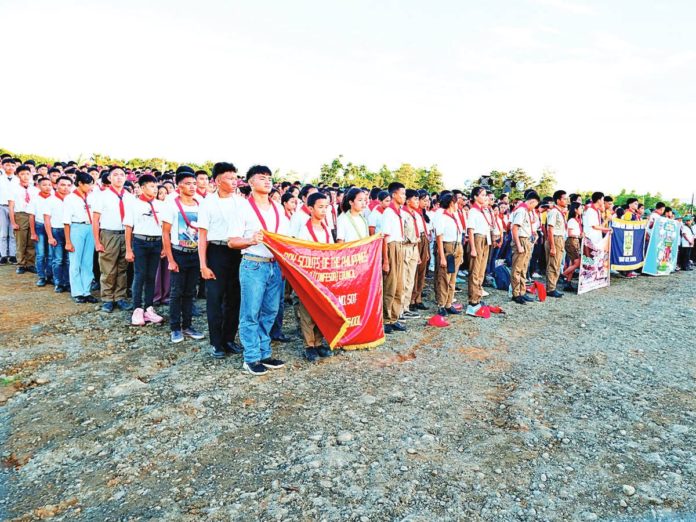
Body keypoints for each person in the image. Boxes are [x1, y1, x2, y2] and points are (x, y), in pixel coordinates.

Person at [227, 165, 288, 376]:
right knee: (250, 312)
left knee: (270, 310)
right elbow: (232, 242)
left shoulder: (278, 208)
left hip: (274, 264)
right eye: (262, 178)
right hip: (253, 263)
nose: (267, 181)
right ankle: (251, 357)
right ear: (250, 182)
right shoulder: (243, 208)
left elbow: (286, 239)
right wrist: (250, 240)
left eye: (269, 178)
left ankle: (264, 352)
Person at [197, 162, 244, 358]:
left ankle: (229, 339)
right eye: (229, 178)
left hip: (238, 252)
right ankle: (216, 343)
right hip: (216, 251)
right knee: (215, 299)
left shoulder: (241, 202)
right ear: (217, 180)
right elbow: (202, 235)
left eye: (235, 178)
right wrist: (203, 265)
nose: (234, 182)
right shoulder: (208, 203)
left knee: (235, 298)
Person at [162, 166, 206, 344]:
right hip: (178, 253)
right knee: (176, 292)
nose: (192, 187)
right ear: (178, 186)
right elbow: (165, 233)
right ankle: (175, 328)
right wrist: (171, 259)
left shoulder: (201, 204)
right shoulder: (171, 205)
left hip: (195, 254)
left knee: (190, 292)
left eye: (194, 183)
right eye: (188, 184)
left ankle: (187, 325)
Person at [295, 192, 334, 362]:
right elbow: (301, 252)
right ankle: (308, 344)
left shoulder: (326, 228)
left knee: (321, 309)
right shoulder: (304, 229)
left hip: (324, 274)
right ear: (310, 208)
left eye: (326, 207)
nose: (324, 210)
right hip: (308, 275)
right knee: (307, 310)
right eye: (320, 207)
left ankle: (319, 342)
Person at [124, 174, 166, 326]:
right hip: (140, 242)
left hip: (156, 243)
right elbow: (128, 228)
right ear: (142, 188)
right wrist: (128, 249)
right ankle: (137, 309)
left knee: (151, 276)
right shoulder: (134, 204)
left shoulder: (161, 205)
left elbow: (164, 228)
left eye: (156, 186)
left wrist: (164, 247)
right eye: (151, 186)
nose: (155, 189)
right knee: (139, 275)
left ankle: (149, 307)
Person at [92, 167, 134, 313]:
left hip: (126, 234)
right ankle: (108, 299)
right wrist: (97, 241)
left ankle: (120, 297)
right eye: (115, 175)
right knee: (108, 268)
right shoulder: (102, 196)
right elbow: (95, 220)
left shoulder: (129, 196)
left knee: (122, 268)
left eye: (122, 175)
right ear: (109, 178)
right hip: (108, 234)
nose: (119, 178)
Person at [63, 172, 99, 303]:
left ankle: (86, 290)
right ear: (79, 184)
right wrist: (68, 241)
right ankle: (77, 292)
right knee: (75, 261)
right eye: (88, 184)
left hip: (90, 227)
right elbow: (66, 222)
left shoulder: (92, 197)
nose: (90, 187)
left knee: (88, 261)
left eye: (91, 184)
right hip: (76, 227)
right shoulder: (70, 198)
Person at [381, 182, 407, 333]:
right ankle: (386, 318)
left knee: (399, 285)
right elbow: (384, 238)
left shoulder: (400, 212)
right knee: (390, 285)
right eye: (401, 194)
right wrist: (386, 260)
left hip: (400, 246)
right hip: (391, 248)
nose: (403, 196)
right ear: (394, 195)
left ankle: (395, 317)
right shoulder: (388, 213)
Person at [434, 192, 463, 316]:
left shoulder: (455, 215)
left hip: (457, 246)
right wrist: (442, 256)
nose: (458, 204)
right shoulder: (442, 216)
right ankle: (441, 304)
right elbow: (439, 237)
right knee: (444, 278)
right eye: (456, 202)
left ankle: (449, 303)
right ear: (452, 203)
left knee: (452, 278)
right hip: (447, 247)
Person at [510, 191, 540, 305]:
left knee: (523, 268)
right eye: (534, 205)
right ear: (532, 201)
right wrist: (518, 245)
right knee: (517, 268)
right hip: (521, 240)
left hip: (526, 239)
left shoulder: (526, 211)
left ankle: (522, 292)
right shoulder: (521, 211)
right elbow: (514, 228)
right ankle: (516, 293)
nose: (534, 207)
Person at [466, 186, 492, 316]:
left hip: (485, 239)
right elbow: (470, 230)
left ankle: (478, 296)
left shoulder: (484, 210)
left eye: (485, 195)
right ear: (475, 197)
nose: (485, 197)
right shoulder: (473, 211)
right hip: (477, 239)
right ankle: (473, 301)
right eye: (482, 195)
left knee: (481, 271)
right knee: (475, 272)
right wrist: (473, 248)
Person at [8, 165, 38, 274]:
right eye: (22, 174)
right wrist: (13, 222)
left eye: (27, 174)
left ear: (31, 175)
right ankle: (21, 264)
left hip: (32, 215)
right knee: (21, 241)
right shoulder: (14, 189)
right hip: (20, 215)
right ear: (17, 175)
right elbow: (11, 206)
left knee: (31, 240)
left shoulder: (34, 189)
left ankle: (30, 263)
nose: (25, 176)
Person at [44, 175, 73, 293]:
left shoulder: (72, 199)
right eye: (62, 185)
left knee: (68, 260)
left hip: (71, 231)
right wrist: (50, 237)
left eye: (68, 185)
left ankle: (67, 282)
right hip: (57, 230)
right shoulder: (50, 200)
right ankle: (58, 283)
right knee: (58, 259)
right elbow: (46, 219)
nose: (65, 188)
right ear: (56, 185)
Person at [28, 176, 54, 286]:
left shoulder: (54, 198)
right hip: (39, 226)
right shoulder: (35, 199)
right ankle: (41, 276)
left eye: (49, 185)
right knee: (41, 253)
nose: (47, 187)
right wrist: (33, 232)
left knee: (51, 253)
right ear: (38, 186)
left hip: (52, 227)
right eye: (44, 185)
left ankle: (49, 275)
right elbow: (31, 216)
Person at [399, 189, 421, 319]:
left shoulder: (416, 215)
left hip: (413, 247)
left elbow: (417, 235)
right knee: (403, 278)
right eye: (415, 199)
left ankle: (406, 307)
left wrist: (417, 252)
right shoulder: (402, 214)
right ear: (407, 201)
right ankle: (399, 309)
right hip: (405, 246)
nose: (417, 202)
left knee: (410, 279)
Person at [410, 190, 431, 311]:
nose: (425, 203)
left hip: (424, 240)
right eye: (424, 200)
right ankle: (412, 299)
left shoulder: (423, 214)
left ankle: (418, 297)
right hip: (416, 241)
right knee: (415, 271)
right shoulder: (412, 213)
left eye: (427, 201)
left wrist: (426, 250)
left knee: (422, 271)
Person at [545, 190, 569, 298]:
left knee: (557, 264)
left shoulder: (560, 212)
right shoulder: (554, 212)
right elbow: (550, 229)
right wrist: (553, 246)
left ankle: (552, 286)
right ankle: (550, 288)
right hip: (555, 238)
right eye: (564, 198)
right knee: (553, 264)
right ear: (558, 200)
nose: (566, 201)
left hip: (559, 238)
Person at [0, 157, 19, 264]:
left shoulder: (18, 180)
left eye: (12, 165)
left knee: (13, 232)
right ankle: (3, 255)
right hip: (1, 206)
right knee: (3, 232)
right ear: (2, 166)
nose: (10, 167)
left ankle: (12, 255)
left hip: (14, 208)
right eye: (7, 165)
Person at [561, 202, 583, 291]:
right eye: (580, 208)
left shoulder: (577, 220)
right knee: (577, 263)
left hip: (575, 242)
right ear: (575, 210)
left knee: (572, 264)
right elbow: (570, 233)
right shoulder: (572, 220)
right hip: (572, 242)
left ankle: (568, 283)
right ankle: (563, 275)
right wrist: (579, 236)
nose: (582, 210)